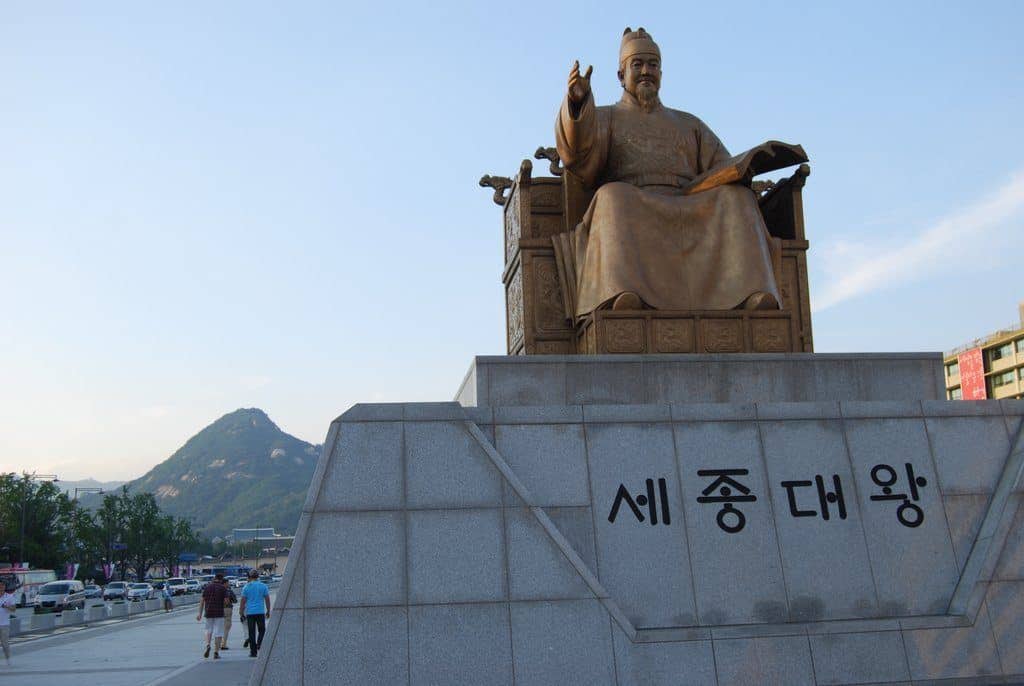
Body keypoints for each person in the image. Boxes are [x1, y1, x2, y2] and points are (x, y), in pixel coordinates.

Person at [553, 27, 783, 317]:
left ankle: (750, 293)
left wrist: (747, 168)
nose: (646, 71)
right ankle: (623, 292)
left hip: (690, 202)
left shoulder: (689, 124)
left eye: (653, 65)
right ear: (621, 75)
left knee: (737, 198)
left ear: (661, 73)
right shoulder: (605, 117)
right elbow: (577, 154)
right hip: (635, 203)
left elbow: (723, 166)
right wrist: (577, 103)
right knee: (612, 197)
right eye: (637, 65)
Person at [238, 570, 270, 658]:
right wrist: (268, 610)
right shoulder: (263, 586)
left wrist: (241, 612)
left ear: (250, 577)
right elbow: (267, 599)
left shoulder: (246, 587)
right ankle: (259, 643)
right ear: (258, 576)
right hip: (260, 612)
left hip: (250, 613)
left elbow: (243, 601)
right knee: (262, 629)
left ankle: (253, 652)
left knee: (251, 632)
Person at [196, 572, 228, 659]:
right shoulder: (223, 588)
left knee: (208, 630)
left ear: (214, 578)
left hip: (208, 612)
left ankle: (208, 645)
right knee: (218, 632)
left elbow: (202, 601)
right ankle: (216, 652)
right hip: (219, 613)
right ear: (221, 579)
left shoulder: (207, 587)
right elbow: (226, 601)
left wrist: (199, 614)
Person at [220, 576, 237, 649]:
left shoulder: (218, 590)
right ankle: (223, 644)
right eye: (228, 583)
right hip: (227, 609)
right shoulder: (228, 591)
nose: (229, 584)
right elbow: (235, 600)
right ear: (225, 583)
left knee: (219, 627)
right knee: (226, 627)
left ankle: (218, 643)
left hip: (218, 610)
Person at [0, 581, 14, 666]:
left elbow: (14, 609)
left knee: (5, 644)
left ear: (4, 587)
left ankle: (8, 659)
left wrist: (6, 606)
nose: (1, 587)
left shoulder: (9, 597)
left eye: (2, 586)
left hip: (4, 624)